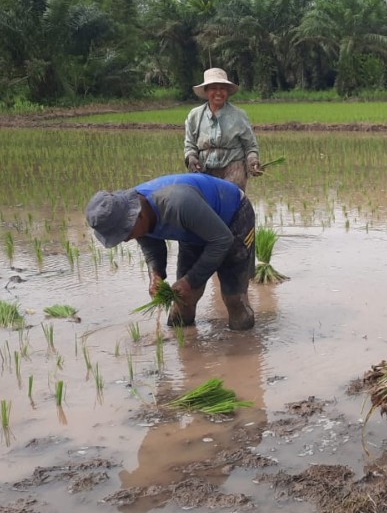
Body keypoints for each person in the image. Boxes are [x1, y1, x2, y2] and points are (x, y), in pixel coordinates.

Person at [85, 173, 256, 330]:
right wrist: (155, 274)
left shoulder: (178, 203)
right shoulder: (132, 213)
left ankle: (245, 350)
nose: (126, 239)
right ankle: (185, 354)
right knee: (182, 299)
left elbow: (222, 240)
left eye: (125, 234)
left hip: (233, 218)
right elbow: (150, 245)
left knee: (234, 299)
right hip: (194, 229)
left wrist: (190, 281)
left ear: (138, 217)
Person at [184, 67, 262, 191]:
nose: (218, 92)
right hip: (204, 170)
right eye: (214, 88)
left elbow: (250, 146)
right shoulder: (195, 116)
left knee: (230, 203)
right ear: (206, 91)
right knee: (205, 206)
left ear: (227, 92)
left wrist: (253, 160)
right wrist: (191, 157)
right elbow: (190, 144)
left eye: (222, 88)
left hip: (233, 169)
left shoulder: (239, 115)